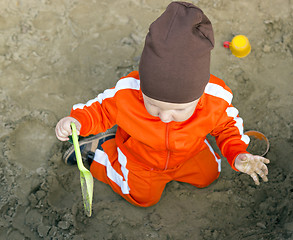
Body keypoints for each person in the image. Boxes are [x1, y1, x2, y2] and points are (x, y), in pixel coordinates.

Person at [55, 1, 270, 207]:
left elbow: (228, 129)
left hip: (189, 153)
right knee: (142, 197)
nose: (164, 116)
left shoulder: (215, 99)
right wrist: (77, 121)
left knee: (210, 175)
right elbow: (99, 110)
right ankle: (100, 152)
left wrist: (238, 154)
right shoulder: (128, 94)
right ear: (143, 88)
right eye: (154, 105)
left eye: (179, 109)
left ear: (200, 93)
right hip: (141, 160)